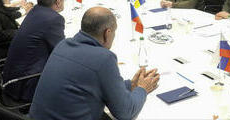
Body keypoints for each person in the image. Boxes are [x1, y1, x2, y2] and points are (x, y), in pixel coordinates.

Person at [30, 7, 159, 120]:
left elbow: (93, 85)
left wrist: (130, 84)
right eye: (114, 32)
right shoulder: (104, 59)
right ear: (107, 33)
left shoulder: (63, 44)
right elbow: (125, 112)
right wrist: (142, 88)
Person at [3, 0, 66, 103]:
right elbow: (62, 51)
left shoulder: (35, 11)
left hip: (12, 80)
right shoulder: (54, 19)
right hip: (27, 84)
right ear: (58, 2)